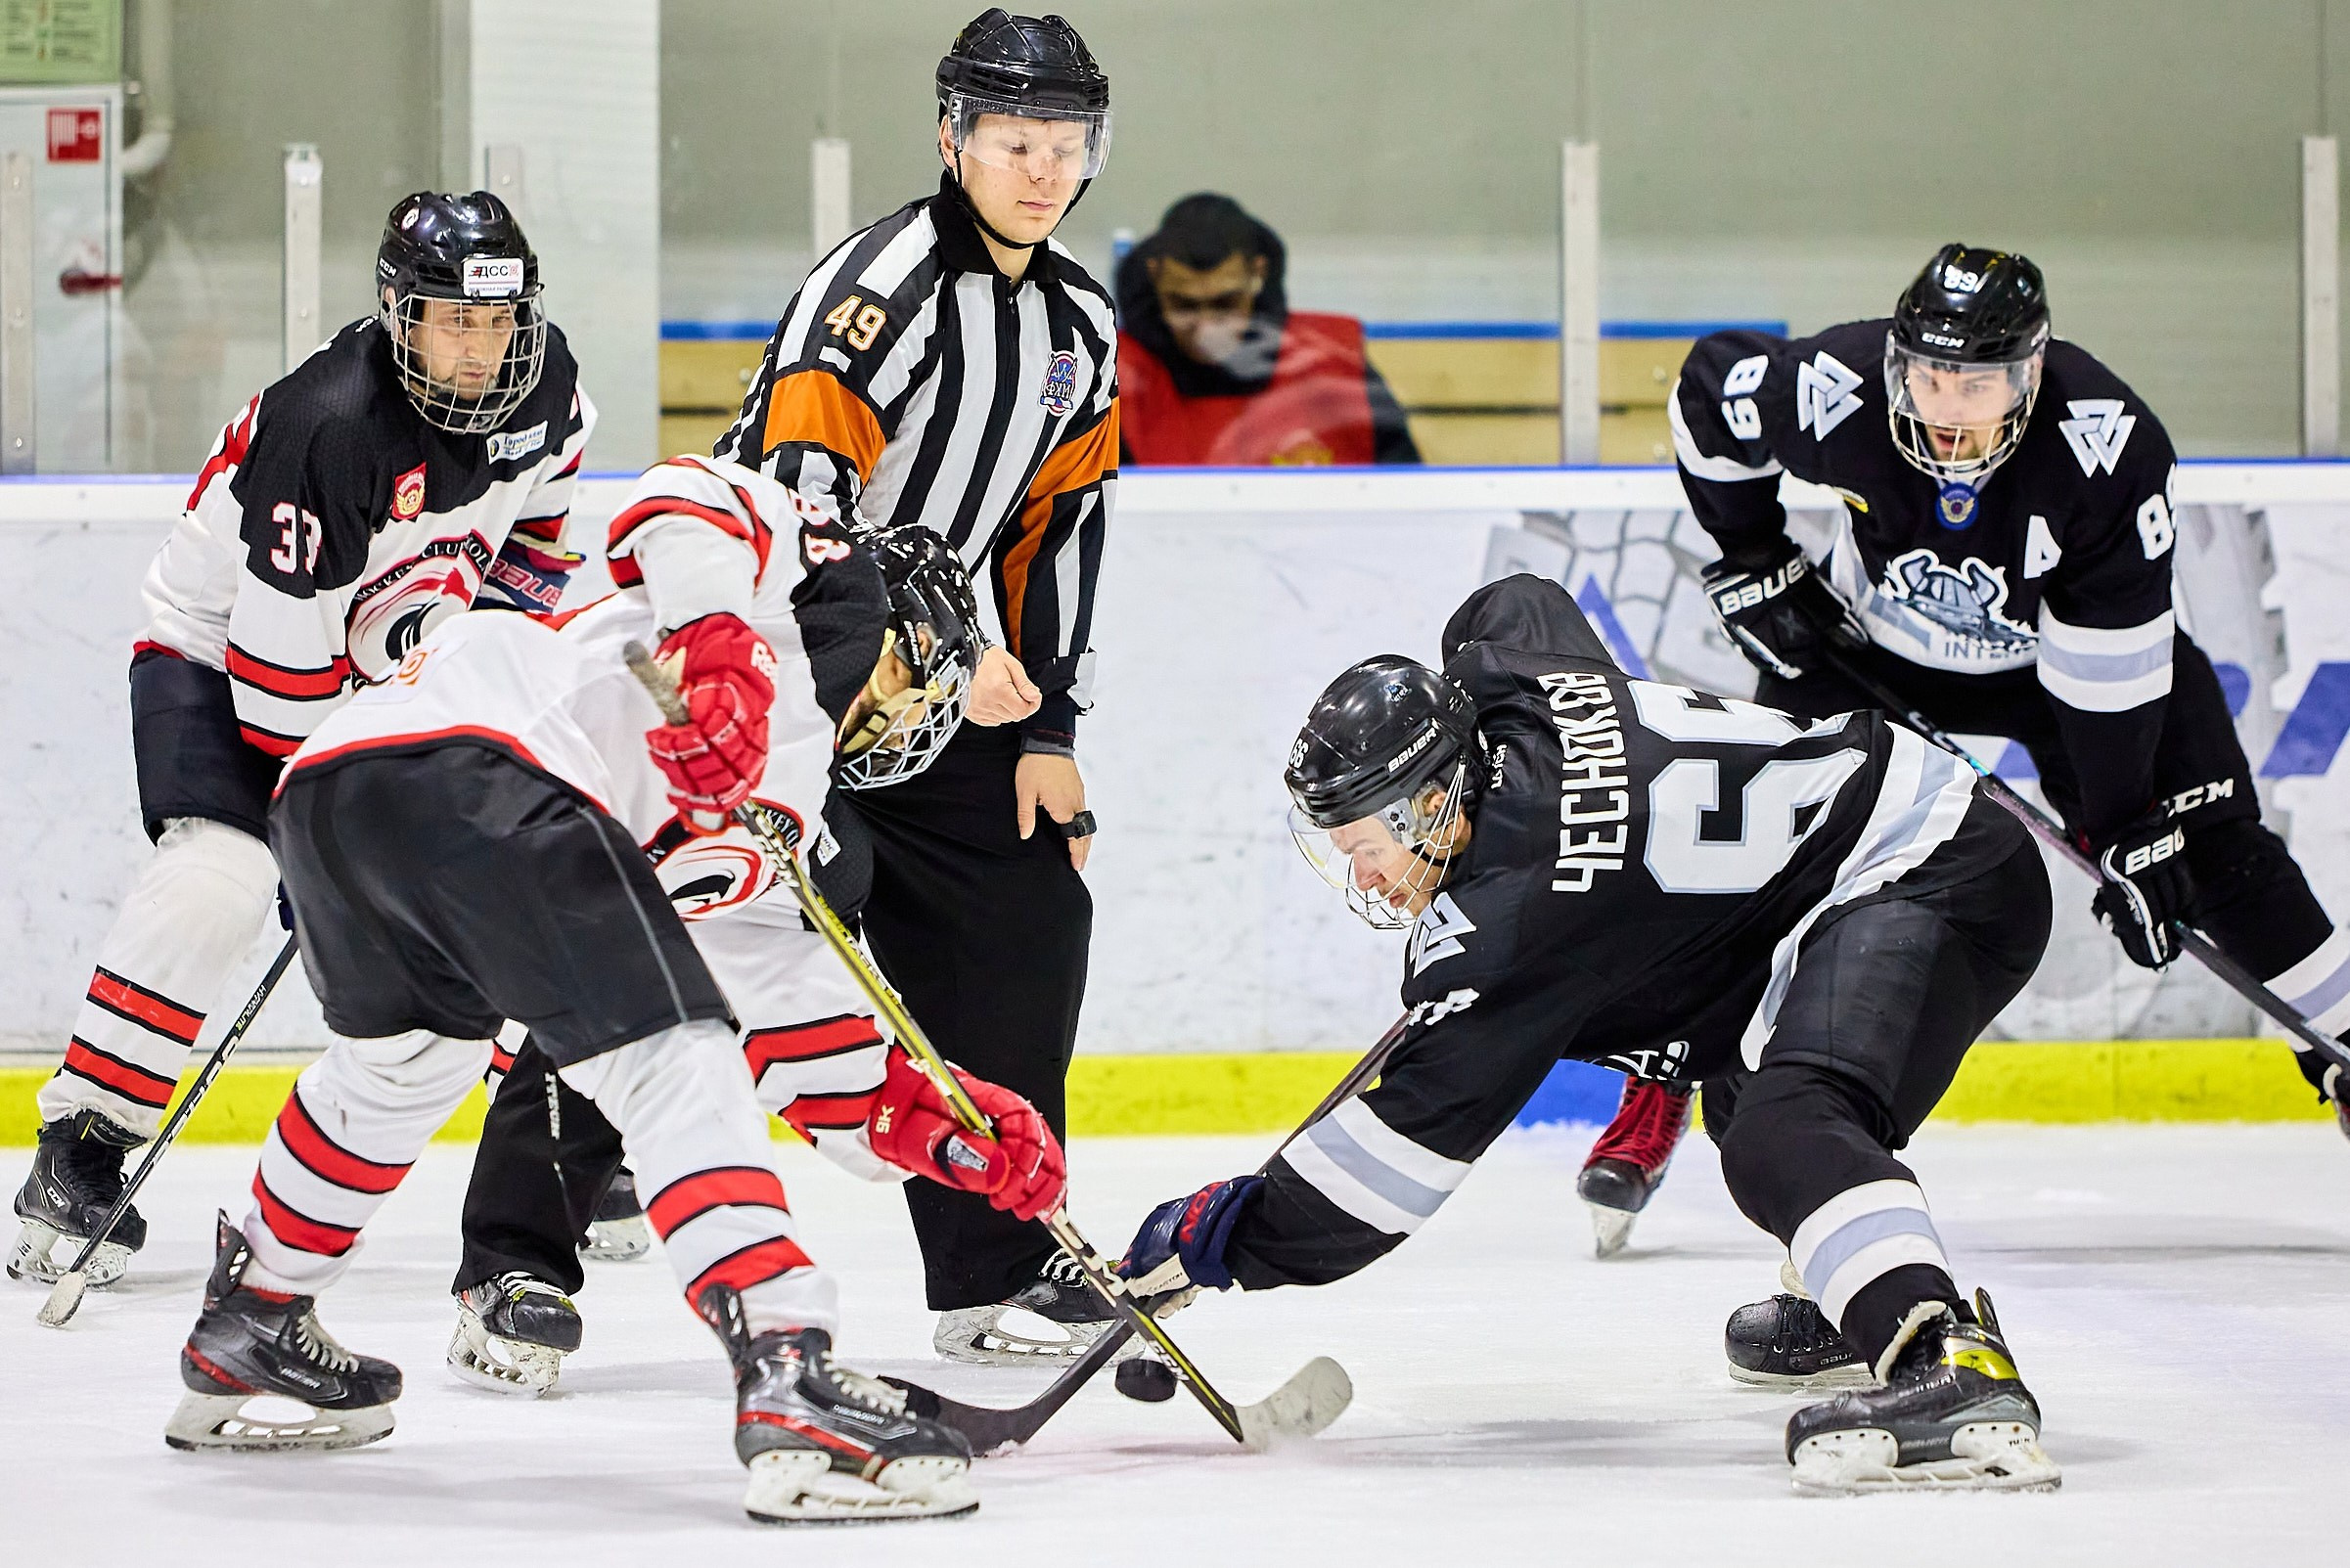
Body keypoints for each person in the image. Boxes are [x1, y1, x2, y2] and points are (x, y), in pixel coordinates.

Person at [163, 455, 1066, 1526]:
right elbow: (684, 494)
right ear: (911, 640)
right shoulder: (822, 587)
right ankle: (789, 1371)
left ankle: (256, 1312)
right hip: (478, 753)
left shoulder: (788, 813)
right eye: (931, 683)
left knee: (403, 1062)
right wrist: (719, 648)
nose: (919, 715)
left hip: (338, 791)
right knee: (674, 1059)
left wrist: (923, 1119)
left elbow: (789, 1016)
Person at [1117, 574, 2062, 1494]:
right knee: (1743, 1092)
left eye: (1365, 845)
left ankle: (1954, 1362)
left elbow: (1386, 1174)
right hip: (1856, 857)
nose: (1364, 879)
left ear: (1432, 800)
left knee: (1787, 1123)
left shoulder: (1515, 924)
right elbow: (1515, 598)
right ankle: (1858, 1296)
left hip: (1931, 864)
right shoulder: (1509, 685)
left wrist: (1228, 1237)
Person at [1667, 244, 2350, 1382]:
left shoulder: (2103, 443)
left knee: (2210, 853)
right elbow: (1706, 397)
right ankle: (1827, 1247)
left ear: (2028, 375)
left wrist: (2128, 827)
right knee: (1777, 882)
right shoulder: (1833, 386)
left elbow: (2105, 685)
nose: (1945, 407)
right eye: (1927, 376)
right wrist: (1754, 557)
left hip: (2068, 669)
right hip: (1876, 656)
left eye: (1975, 383)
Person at [9, 191, 593, 1289]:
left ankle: (560, 1136)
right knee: (222, 876)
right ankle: (81, 1145)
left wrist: (477, 667)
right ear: (397, 311)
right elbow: (280, 698)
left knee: (520, 850)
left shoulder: (545, 382)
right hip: (222, 656)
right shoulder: (328, 427)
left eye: (498, 320)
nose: (482, 347)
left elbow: (541, 534)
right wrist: (350, 845)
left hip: (391, 665)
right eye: (452, 322)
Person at [700, 7, 1119, 1365]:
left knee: (1026, 904)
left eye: (1065, 144)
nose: (1042, 169)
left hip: (941, 693)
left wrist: (1046, 724)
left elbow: (1059, 530)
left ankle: (990, 1273)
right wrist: (878, 651)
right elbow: (794, 511)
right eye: (1014, 141)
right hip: (776, 672)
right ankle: (523, 1242)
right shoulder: (878, 289)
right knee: (705, 937)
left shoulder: (1080, 324)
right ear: (953, 138)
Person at [1115, 193, 1419, 467]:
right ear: (1155, 277)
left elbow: (1403, 487)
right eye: (1183, 306)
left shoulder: (1333, 362)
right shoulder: (1115, 375)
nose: (1205, 327)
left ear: (1258, 274)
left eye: (1225, 304)